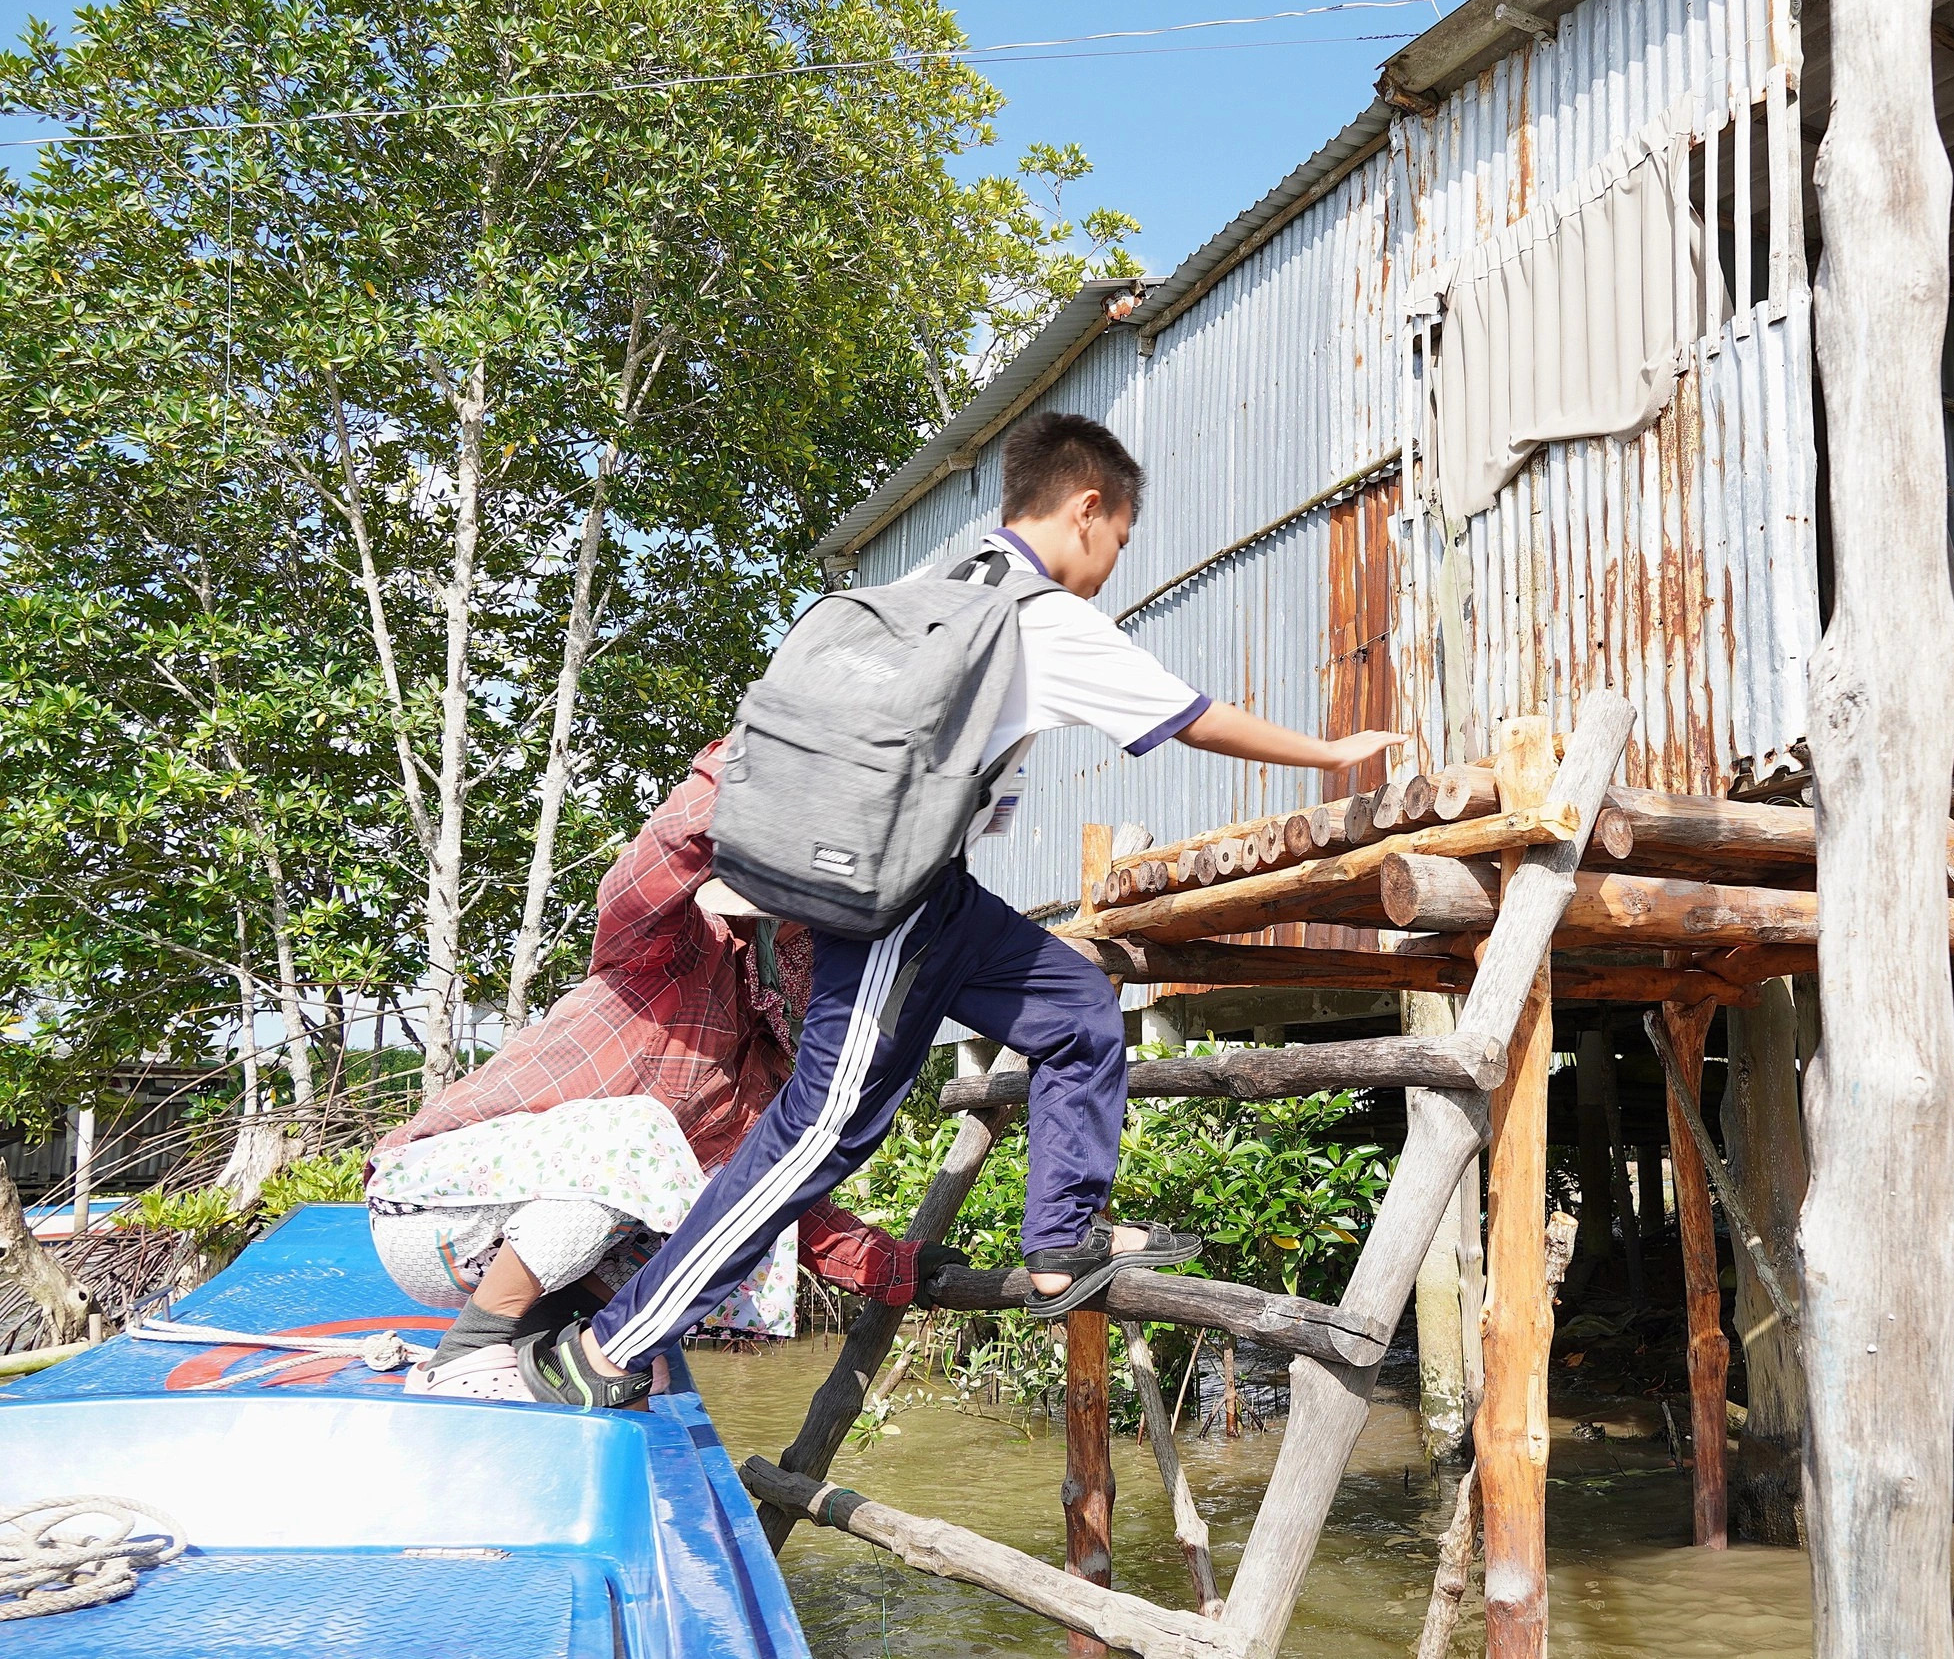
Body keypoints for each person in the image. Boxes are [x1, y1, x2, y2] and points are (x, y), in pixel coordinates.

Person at [516, 411, 1406, 1407]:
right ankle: (604, 1351)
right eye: (1118, 541)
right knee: (815, 1139)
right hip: (889, 902)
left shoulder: (936, 582)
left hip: (928, 892)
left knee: (1073, 1010)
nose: (1112, 564)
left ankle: (1064, 1242)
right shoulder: (1041, 617)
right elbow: (1188, 717)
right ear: (1087, 508)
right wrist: (1327, 757)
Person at [367, 743, 944, 1397]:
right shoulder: (676, 949)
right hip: (429, 1210)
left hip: (518, 1248)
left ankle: (551, 1346)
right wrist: (762, 751)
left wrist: (902, 1270)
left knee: (726, 1208)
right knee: (641, 1135)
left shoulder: (761, 1088)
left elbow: (783, 1211)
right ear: (767, 924)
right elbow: (652, 866)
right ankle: (466, 1352)